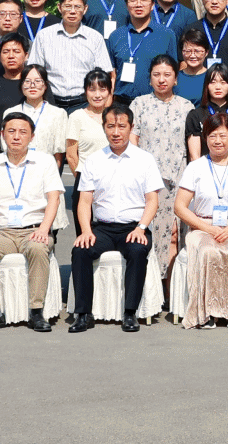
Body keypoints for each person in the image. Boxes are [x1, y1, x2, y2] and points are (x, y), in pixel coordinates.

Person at [67, 101, 164, 334]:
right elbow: (84, 201)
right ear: (104, 128)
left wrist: (141, 227)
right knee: (80, 250)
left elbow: (152, 200)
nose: (116, 132)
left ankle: (130, 313)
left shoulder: (145, 159)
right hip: (102, 228)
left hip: (134, 227)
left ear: (131, 127)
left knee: (138, 251)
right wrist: (86, 231)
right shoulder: (93, 160)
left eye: (122, 126)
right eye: (110, 126)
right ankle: (83, 314)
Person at [0, 111, 61, 332]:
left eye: (22, 132)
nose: (16, 136)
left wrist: (44, 229)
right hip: (1, 231)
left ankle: (36, 312)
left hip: (34, 229)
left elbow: (54, 199)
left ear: (32, 136)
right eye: (11, 131)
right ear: (2, 134)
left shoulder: (45, 162)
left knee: (38, 248)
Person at [173, 114, 228, 328]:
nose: (218, 141)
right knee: (208, 252)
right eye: (212, 136)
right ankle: (205, 313)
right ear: (205, 138)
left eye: (223, 135)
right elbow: (180, 206)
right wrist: (208, 228)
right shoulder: (195, 167)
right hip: (202, 227)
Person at [131, 55, 194, 270]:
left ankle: (171, 285)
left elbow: (191, 146)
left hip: (179, 178)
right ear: (149, 79)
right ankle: (153, 283)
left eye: (167, 75)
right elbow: (133, 140)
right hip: (149, 181)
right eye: (156, 75)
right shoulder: (139, 104)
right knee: (152, 233)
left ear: (176, 79)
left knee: (176, 233)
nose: (161, 79)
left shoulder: (186, 107)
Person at [30, 0, 115, 110]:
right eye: (68, 6)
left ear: (85, 9)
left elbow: (106, 73)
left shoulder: (95, 38)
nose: (73, 11)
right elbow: (35, 71)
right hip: (51, 103)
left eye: (78, 7)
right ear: (59, 8)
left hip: (84, 104)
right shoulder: (44, 36)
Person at [106, 0, 179, 100]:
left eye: (144, 0)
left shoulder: (166, 35)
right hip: (122, 102)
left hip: (155, 101)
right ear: (126, 5)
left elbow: (173, 72)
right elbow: (111, 74)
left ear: (152, 5)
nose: (138, 4)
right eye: (133, 0)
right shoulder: (116, 36)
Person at [63, 71, 116, 216]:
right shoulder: (76, 117)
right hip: (85, 181)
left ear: (109, 91)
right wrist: (83, 180)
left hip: (113, 181)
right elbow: (71, 155)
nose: (97, 95)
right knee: (84, 228)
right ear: (85, 91)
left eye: (102, 89)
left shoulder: (116, 116)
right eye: (92, 90)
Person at [185, 64, 228, 161]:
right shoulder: (195, 115)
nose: (218, 87)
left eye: (223, 82)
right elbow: (194, 155)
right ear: (206, 85)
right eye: (213, 82)